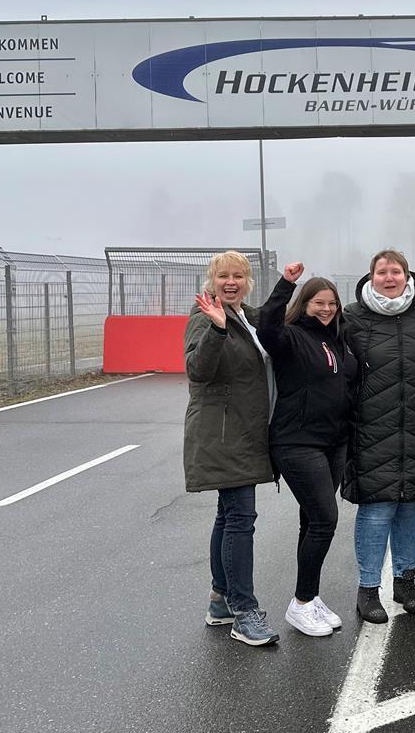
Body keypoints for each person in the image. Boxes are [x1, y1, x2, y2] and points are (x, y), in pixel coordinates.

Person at [256, 262, 358, 638]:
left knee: (310, 521)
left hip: (334, 443)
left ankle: (309, 599)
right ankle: (300, 603)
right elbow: (266, 325)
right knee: (325, 520)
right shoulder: (290, 336)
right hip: (298, 442)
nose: (326, 308)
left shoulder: (337, 340)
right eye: (318, 302)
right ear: (304, 304)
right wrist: (286, 283)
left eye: (331, 303)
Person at [183, 250, 279, 646]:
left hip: (242, 432)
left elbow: (275, 319)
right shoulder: (205, 316)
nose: (231, 281)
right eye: (223, 275)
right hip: (224, 434)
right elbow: (197, 369)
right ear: (212, 279)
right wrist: (216, 330)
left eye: (238, 275)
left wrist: (288, 284)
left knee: (228, 515)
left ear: (248, 280)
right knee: (241, 518)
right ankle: (243, 610)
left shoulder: (246, 316)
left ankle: (220, 602)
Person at [343, 250, 415, 623]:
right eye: (381, 272)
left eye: (395, 271)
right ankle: (368, 589)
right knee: (377, 508)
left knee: (409, 505)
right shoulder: (352, 317)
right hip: (371, 427)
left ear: (406, 274)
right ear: (370, 276)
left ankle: (405, 580)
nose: (389, 277)